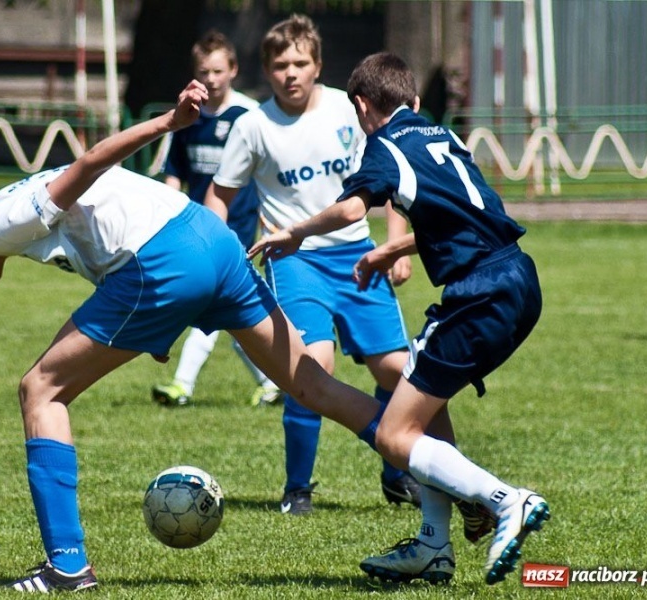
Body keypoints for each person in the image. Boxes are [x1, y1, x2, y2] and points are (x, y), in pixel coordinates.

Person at [0, 80, 401, 594]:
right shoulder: (2, 206)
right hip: (210, 237)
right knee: (313, 386)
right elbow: (101, 229)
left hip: (163, 261)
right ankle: (435, 466)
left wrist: (168, 123)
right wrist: (158, 324)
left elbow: (90, 163)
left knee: (39, 390)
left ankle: (66, 565)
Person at [249, 52, 550, 586]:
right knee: (425, 409)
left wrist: (296, 232)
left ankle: (505, 500)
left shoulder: (384, 144)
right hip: (518, 279)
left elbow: (351, 210)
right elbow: (477, 212)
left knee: (393, 434)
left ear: (362, 106)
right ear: (413, 99)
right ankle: (433, 545)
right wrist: (393, 250)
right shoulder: (442, 135)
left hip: (479, 292)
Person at [203, 14, 420, 515]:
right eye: (280, 65)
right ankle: (297, 489)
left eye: (300, 63)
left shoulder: (349, 110)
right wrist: (215, 251)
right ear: (266, 70)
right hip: (294, 260)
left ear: (318, 65)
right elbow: (220, 194)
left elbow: (391, 177)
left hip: (359, 256)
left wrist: (395, 243)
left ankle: (397, 472)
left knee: (397, 371)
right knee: (313, 366)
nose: (290, 73)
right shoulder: (253, 126)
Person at [150, 30, 281, 408]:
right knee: (229, 313)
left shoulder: (249, 115)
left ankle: (182, 386)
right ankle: (274, 384)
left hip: (238, 229)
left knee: (210, 306)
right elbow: (175, 173)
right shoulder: (187, 116)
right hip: (195, 228)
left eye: (218, 71)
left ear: (233, 70)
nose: (211, 79)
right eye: (204, 72)